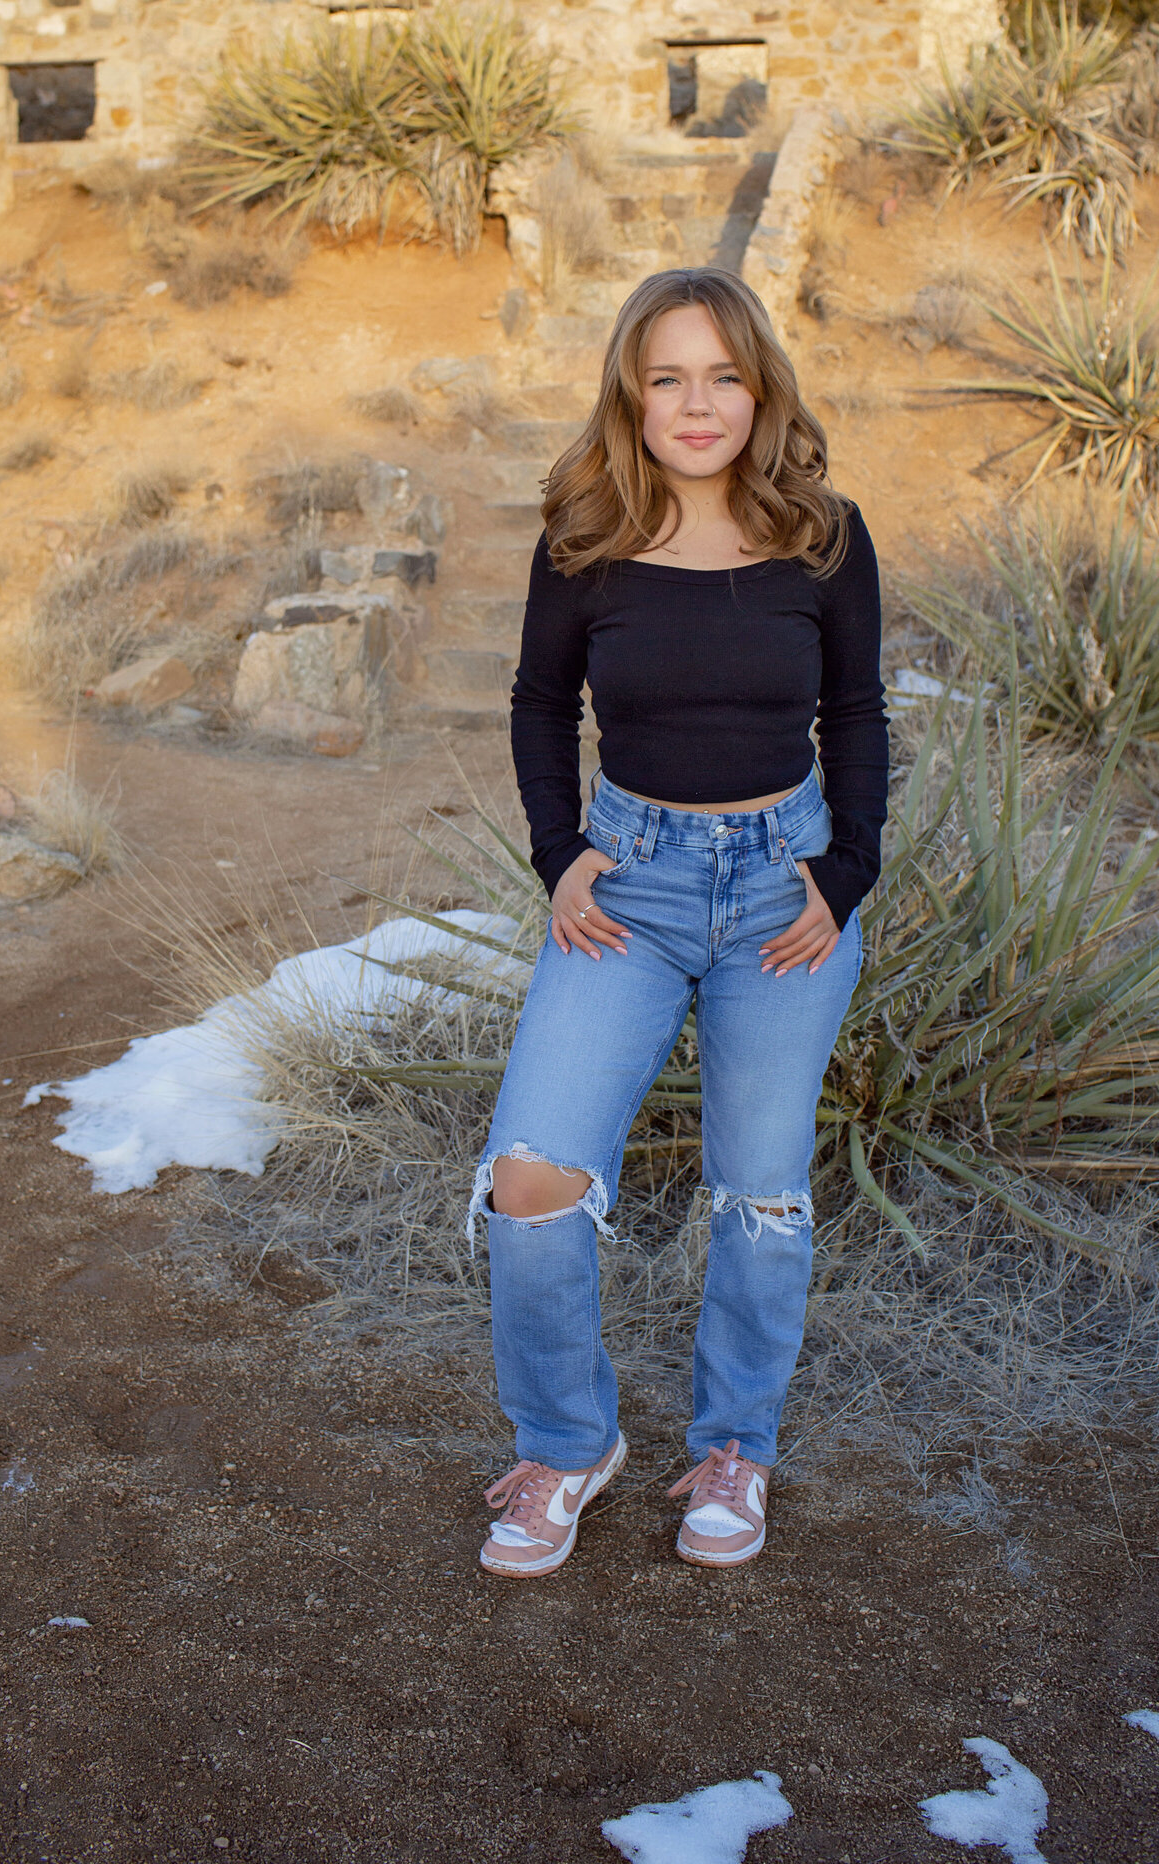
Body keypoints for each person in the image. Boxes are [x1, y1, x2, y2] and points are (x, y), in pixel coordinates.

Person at [469, 266, 888, 1578]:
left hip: (786, 898)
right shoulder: (584, 537)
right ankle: (567, 1442)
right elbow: (542, 704)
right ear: (630, 395)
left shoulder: (825, 535)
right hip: (629, 895)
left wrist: (845, 874)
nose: (696, 403)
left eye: (722, 374)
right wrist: (560, 855)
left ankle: (733, 1450)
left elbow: (859, 712)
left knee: (761, 1191)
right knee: (533, 1180)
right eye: (667, 377)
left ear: (758, 386)